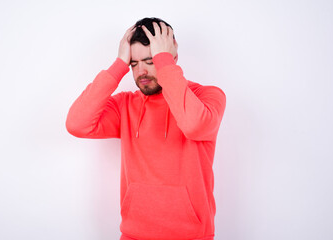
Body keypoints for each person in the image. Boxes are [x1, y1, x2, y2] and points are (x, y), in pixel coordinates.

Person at [66, 17, 226, 240]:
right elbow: (77, 124)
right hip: (134, 235)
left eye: (150, 61)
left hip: (192, 236)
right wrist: (118, 66)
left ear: (172, 57)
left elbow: (193, 125)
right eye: (134, 63)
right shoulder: (125, 105)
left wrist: (164, 62)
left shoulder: (208, 97)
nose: (141, 72)